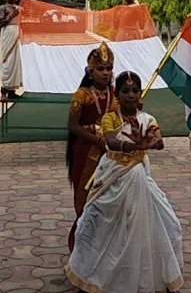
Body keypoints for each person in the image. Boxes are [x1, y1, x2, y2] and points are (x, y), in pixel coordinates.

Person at [65, 71, 184, 293]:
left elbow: (158, 141)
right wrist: (134, 146)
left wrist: (151, 142)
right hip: (113, 175)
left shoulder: (147, 119)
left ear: (140, 94)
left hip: (139, 176)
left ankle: (147, 276)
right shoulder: (110, 118)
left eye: (135, 90)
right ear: (117, 95)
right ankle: (92, 276)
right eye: (125, 91)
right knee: (95, 222)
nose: (131, 95)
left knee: (166, 223)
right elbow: (110, 141)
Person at [65, 42, 117, 252]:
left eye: (109, 68)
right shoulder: (82, 95)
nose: (105, 73)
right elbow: (73, 126)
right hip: (85, 151)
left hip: (112, 151)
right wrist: (97, 140)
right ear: (90, 71)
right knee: (86, 193)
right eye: (100, 69)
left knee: (108, 195)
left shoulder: (116, 93)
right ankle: (81, 243)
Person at [0, 0, 22, 102]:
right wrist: (12, 15)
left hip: (17, 35)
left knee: (15, 63)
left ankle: (12, 92)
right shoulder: (2, 8)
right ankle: (3, 91)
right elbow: (1, 23)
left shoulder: (18, 8)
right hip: (8, 35)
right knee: (7, 61)